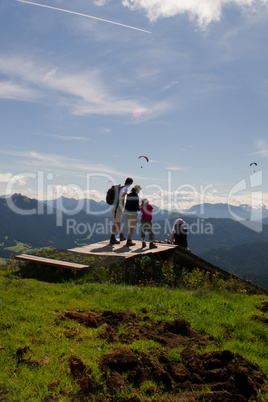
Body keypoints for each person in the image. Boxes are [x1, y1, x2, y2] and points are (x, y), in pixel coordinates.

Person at [110, 177, 133, 245]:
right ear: (130, 183)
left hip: (114, 205)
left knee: (115, 222)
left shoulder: (120, 186)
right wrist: (122, 204)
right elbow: (123, 195)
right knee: (117, 222)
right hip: (119, 207)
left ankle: (113, 237)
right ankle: (120, 235)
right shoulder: (125, 188)